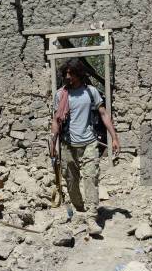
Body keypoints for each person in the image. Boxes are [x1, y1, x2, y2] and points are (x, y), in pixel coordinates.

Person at [51, 58, 120, 235]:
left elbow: (104, 114)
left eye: (71, 73)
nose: (68, 76)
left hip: (89, 143)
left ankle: (91, 217)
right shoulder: (60, 95)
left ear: (79, 74)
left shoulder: (91, 92)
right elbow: (56, 121)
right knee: (71, 182)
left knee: (91, 178)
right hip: (68, 145)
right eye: (65, 73)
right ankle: (81, 209)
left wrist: (114, 137)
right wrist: (53, 142)